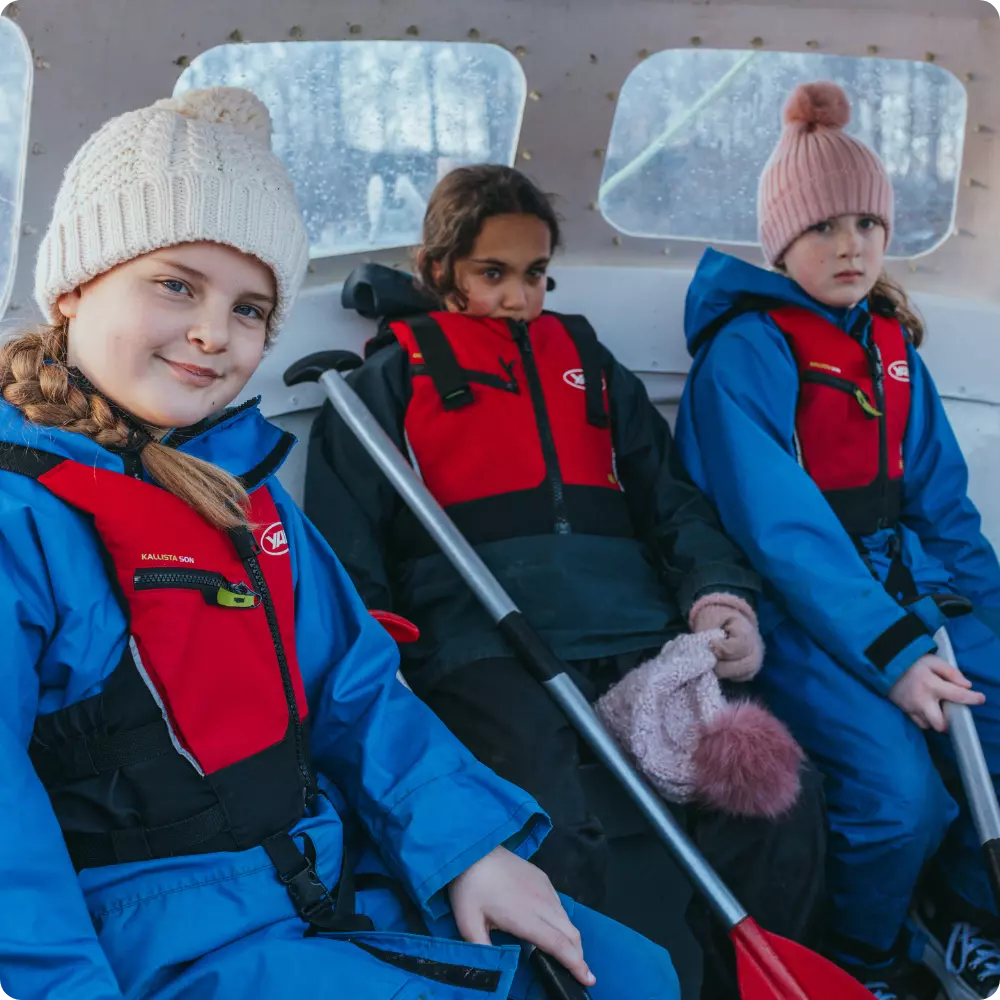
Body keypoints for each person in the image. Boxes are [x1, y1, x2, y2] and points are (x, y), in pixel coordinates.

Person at [0, 86, 682, 1000]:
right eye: (175, 284)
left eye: (250, 310)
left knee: (637, 974)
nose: (214, 333)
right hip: (160, 938)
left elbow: (355, 688)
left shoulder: (237, 493)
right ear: (77, 286)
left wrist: (464, 849)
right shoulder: (23, 524)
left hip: (327, 871)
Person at [305, 163, 828, 999]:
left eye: (536, 274)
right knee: (549, 820)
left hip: (632, 625)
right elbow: (345, 553)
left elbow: (672, 503)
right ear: (440, 271)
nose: (519, 297)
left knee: (774, 799)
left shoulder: (587, 360)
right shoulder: (382, 387)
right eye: (493, 274)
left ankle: (743, 986)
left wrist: (717, 594)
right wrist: (386, 650)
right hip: (481, 639)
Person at [675, 80, 1000, 1000]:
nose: (850, 245)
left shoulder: (892, 347)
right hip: (810, 609)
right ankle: (869, 959)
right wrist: (894, 654)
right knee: (902, 801)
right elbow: (782, 531)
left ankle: (966, 919)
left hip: (913, 583)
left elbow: (945, 506)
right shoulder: (750, 350)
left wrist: (985, 617)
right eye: (823, 228)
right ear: (782, 242)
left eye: (866, 223)